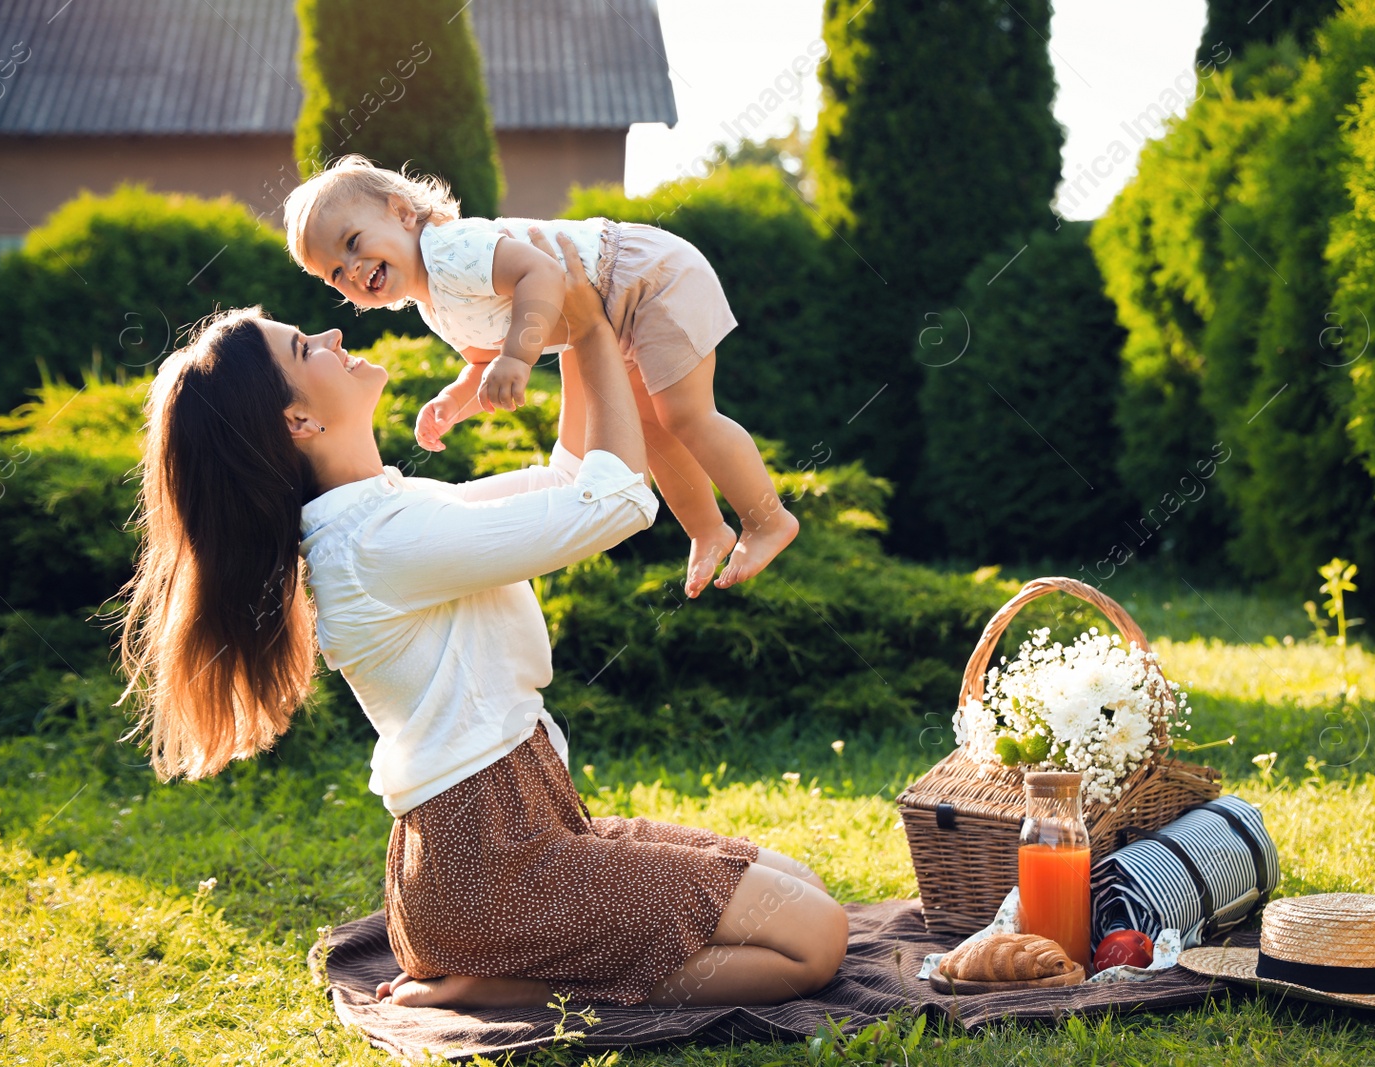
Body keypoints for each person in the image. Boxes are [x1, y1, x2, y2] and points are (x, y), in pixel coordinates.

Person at [116, 231, 847, 1010]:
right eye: (306, 346)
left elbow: (568, 479)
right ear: (297, 421)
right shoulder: (374, 543)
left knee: (796, 888)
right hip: (488, 868)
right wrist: (594, 328)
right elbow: (617, 503)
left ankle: (516, 968)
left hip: (526, 831)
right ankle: (516, 985)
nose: (332, 334)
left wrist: (573, 324)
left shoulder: (385, 511)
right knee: (813, 939)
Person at [282, 155, 799, 600]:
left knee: (685, 414)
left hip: (645, 277)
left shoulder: (451, 249)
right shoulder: (433, 306)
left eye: (352, 243)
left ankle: (768, 520)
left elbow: (542, 275)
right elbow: (484, 363)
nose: (350, 269)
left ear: (402, 213)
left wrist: (518, 358)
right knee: (652, 424)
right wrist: (455, 401)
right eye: (333, 272)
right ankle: (708, 529)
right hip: (615, 303)